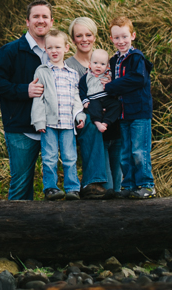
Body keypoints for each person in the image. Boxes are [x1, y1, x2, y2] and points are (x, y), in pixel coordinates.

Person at [0, 0, 53, 200]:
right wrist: (26, 90)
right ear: (27, 21)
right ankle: (12, 229)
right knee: (20, 187)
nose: (40, 21)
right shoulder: (11, 50)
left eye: (44, 17)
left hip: (53, 128)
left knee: (57, 187)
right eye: (36, 17)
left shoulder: (57, 50)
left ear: (51, 21)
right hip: (21, 128)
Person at [104, 16, 156, 199]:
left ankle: (146, 185)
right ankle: (129, 186)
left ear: (132, 36)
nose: (121, 41)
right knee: (125, 152)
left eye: (124, 36)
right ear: (111, 39)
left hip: (139, 112)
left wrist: (111, 86)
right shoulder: (113, 61)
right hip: (123, 114)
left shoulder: (136, 58)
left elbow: (137, 79)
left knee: (139, 151)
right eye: (116, 38)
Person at [30, 29, 85, 201]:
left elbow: (76, 98)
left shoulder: (72, 74)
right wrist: (39, 121)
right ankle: (51, 188)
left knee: (70, 157)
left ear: (66, 48)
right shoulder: (42, 71)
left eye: (58, 47)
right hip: (49, 124)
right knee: (49, 157)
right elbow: (38, 99)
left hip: (68, 124)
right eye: (50, 47)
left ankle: (72, 189)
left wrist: (80, 115)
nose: (54, 51)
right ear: (45, 49)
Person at [65, 17, 111, 199]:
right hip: (79, 117)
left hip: (106, 113)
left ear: (94, 36)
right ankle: (92, 182)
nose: (84, 39)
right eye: (79, 35)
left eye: (88, 35)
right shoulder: (68, 65)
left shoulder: (105, 62)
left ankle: (126, 183)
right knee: (92, 120)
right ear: (73, 39)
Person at [78, 48, 123, 194]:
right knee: (93, 106)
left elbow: (118, 93)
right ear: (90, 64)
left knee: (116, 105)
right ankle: (98, 122)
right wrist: (85, 102)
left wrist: (112, 84)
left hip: (113, 126)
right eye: (95, 63)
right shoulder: (86, 77)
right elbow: (81, 91)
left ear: (107, 66)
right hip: (95, 106)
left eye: (102, 64)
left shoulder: (110, 76)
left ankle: (117, 191)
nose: (98, 66)